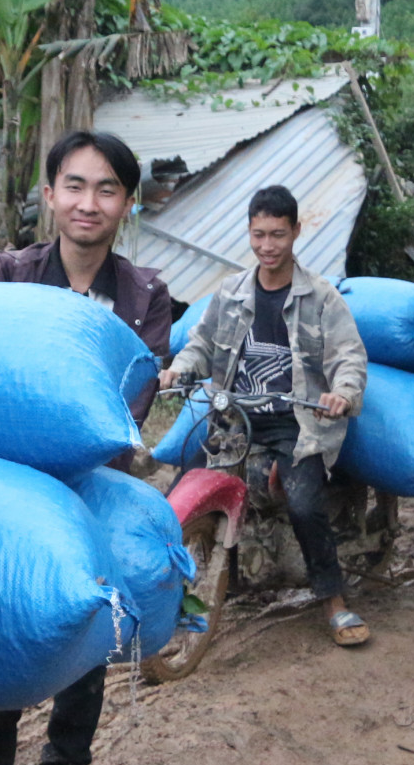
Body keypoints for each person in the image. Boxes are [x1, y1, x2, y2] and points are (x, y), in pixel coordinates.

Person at [0, 130, 172, 765]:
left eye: (107, 188)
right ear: (48, 195)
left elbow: (132, 400)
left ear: (126, 203)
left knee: (89, 616)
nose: (90, 202)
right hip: (8, 482)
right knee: (6, 623)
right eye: (75, 186)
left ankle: (66, 760)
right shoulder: (3, 275)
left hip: (93, 478)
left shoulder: (145, 294)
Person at [158, 184, 371, 645]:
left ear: (296, 231)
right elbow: (202, 342)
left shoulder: (321, 297)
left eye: (277, 234)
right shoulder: (231, 292)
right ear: (249, 234)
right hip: (234, 419)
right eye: (258, 235)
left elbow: (348, 356)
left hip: (297, 424)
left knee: (303, 504)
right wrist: (179, 370)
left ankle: (333, 599)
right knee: (179, 491)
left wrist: (343, 392)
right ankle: (171, 596)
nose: (267, 246)